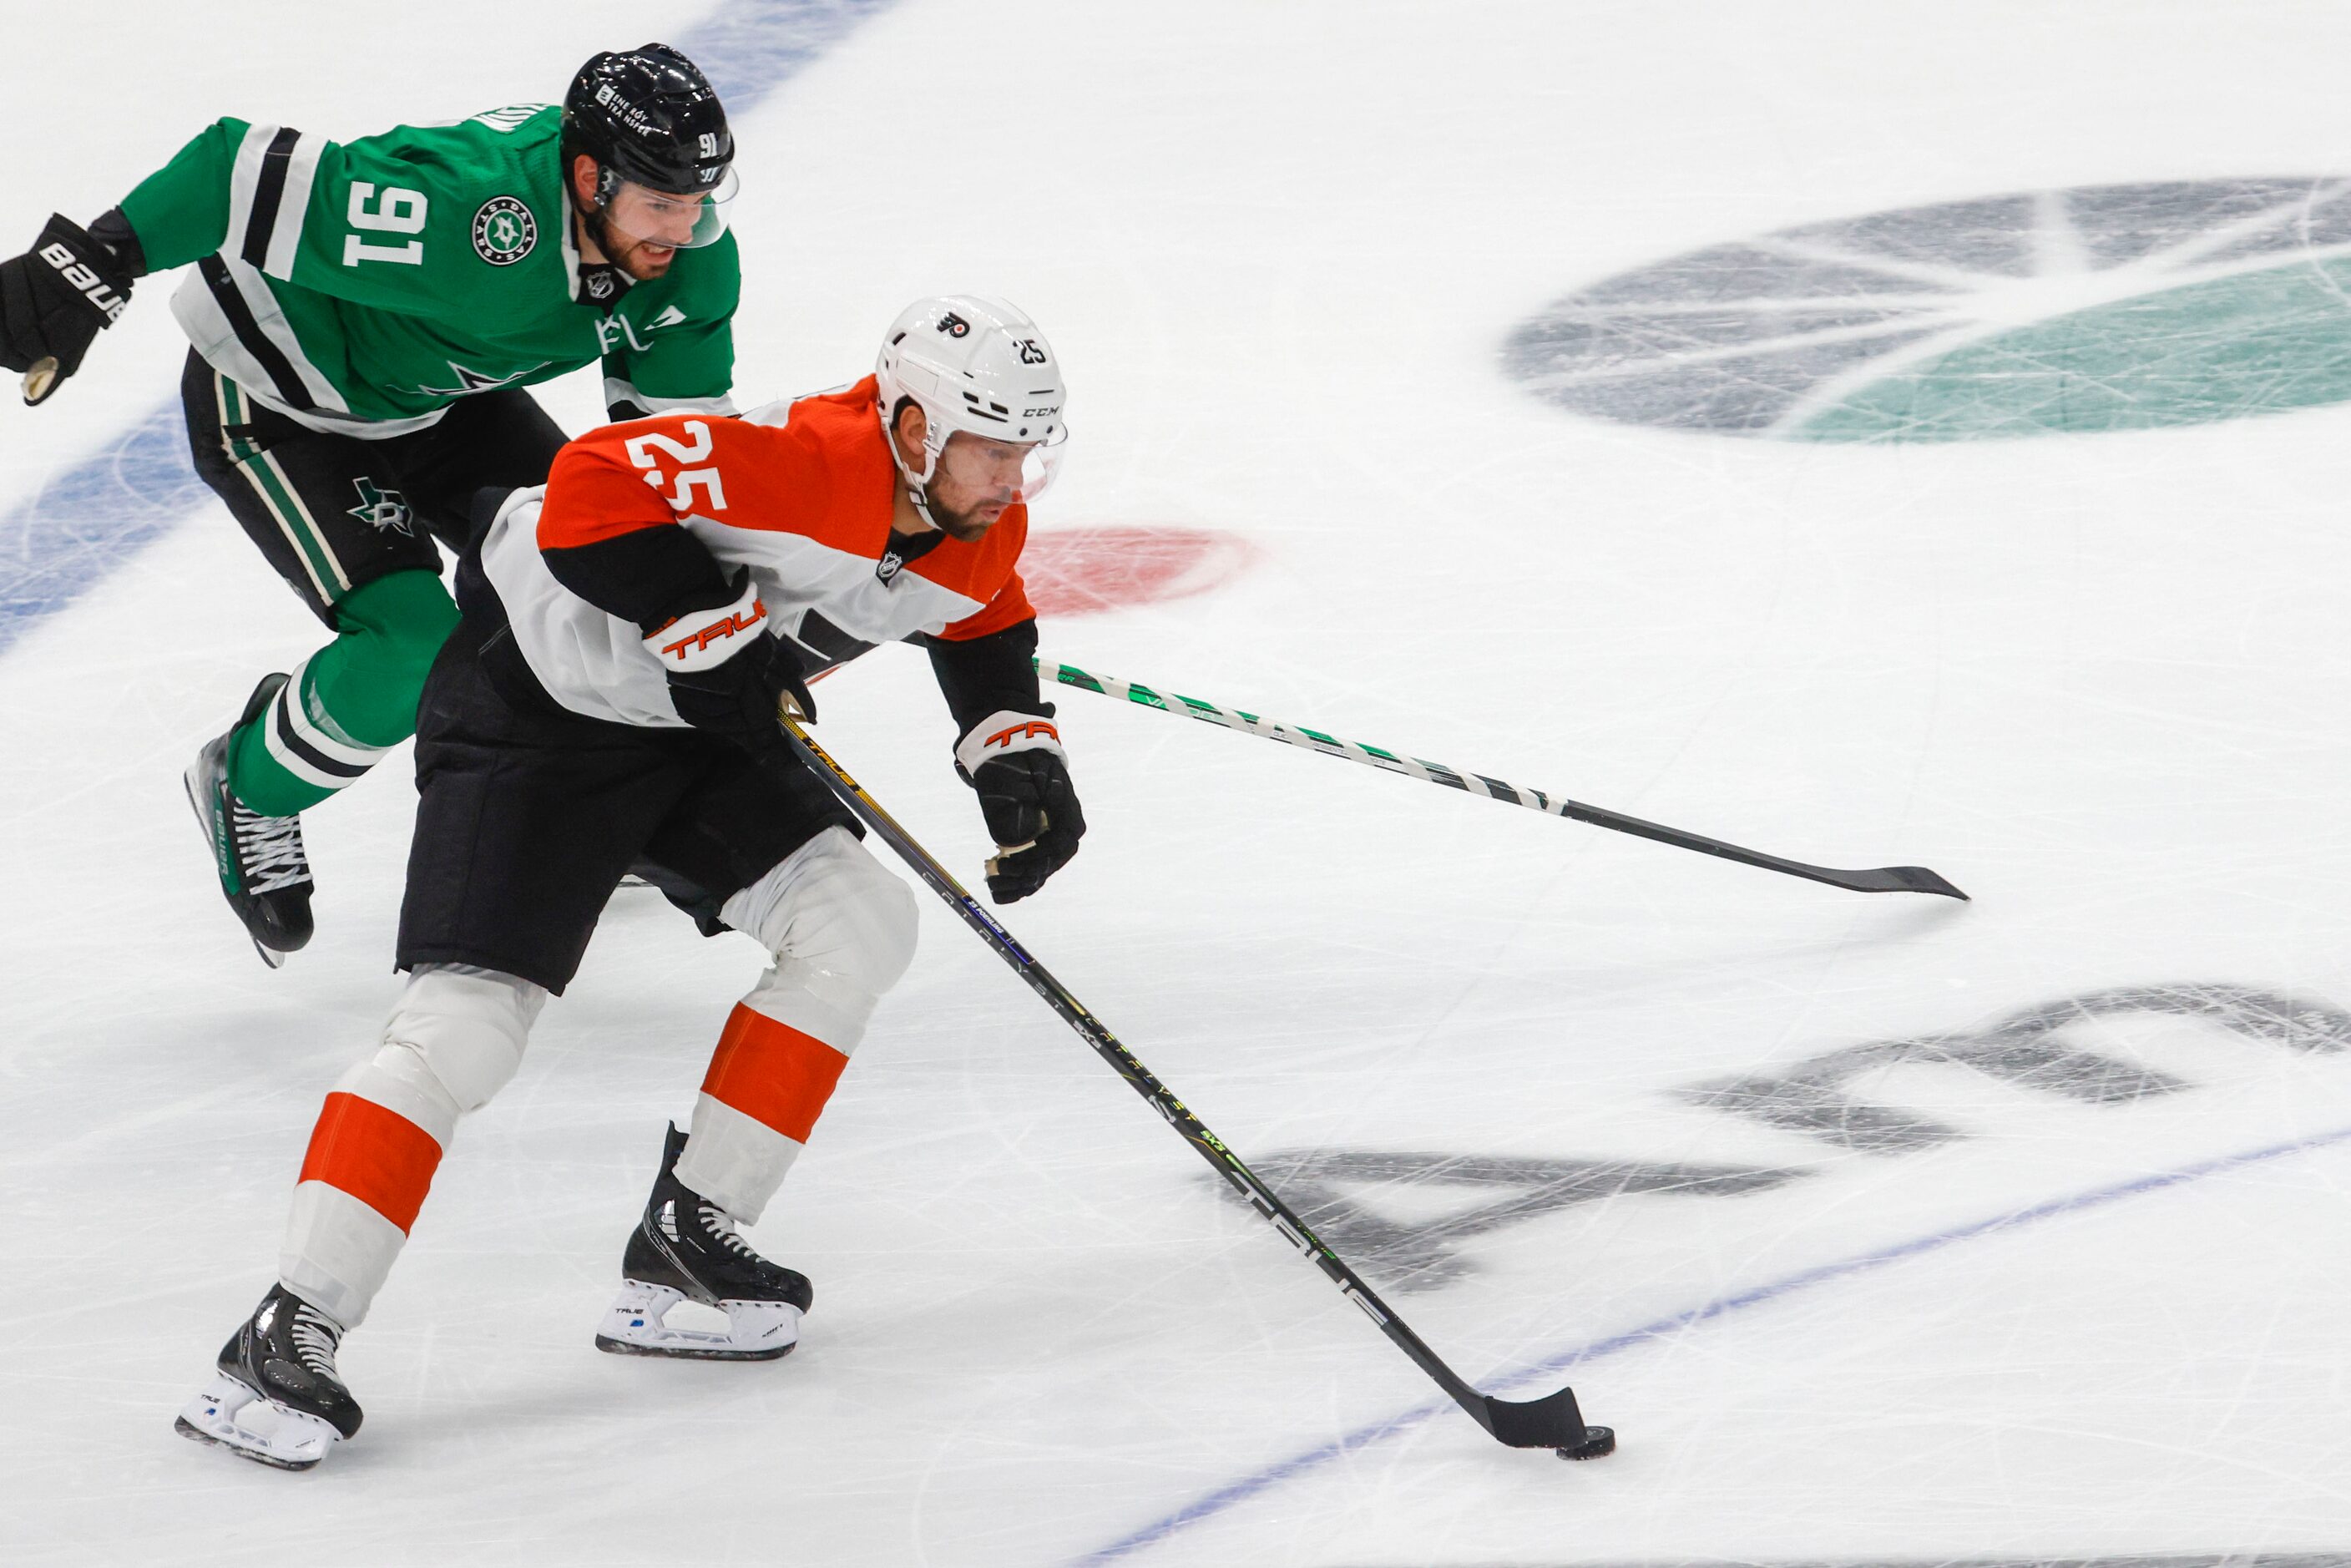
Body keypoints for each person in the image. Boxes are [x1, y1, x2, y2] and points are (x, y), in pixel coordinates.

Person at [172, 296, 1086, 1470]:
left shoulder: (976, 521)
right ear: (911, 427)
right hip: (534, 709)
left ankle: (689, 1241)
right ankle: (284, 1326)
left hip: (689, 731)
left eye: (1027, 451)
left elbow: (984, 618)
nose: (1011, 478)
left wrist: (1017, 752)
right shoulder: (805, 463)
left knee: (857, 920)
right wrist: (703, 621)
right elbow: (592, 485)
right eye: (989, 446)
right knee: (465, 1029)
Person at [0, 44, 743, 966]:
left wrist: (707, 592)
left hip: (441, 395)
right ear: (588, 177)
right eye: (661, 203)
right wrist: (92, 261)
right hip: (279, 399)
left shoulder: (690, 260)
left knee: (599, 587)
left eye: (701, 200)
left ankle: (597, 803)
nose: (684, 228)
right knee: (413, 650)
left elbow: (666, 458)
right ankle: (252, 786)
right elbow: (234, 169)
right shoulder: (470, 216)